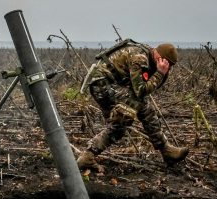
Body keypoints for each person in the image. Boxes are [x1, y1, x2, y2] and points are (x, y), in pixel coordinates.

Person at [77, 39, 189, 172]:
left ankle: (166, 150)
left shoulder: (149, 56)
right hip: (102, 85)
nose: (167, 67)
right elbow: (140, 90)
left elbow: (143, 87)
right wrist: (160, 73)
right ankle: (87, 157)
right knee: (126, 117)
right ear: (159, 57)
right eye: (167, 64)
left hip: (111, 84)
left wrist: (160, 74)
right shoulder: (140, 58)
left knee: (131, 117)